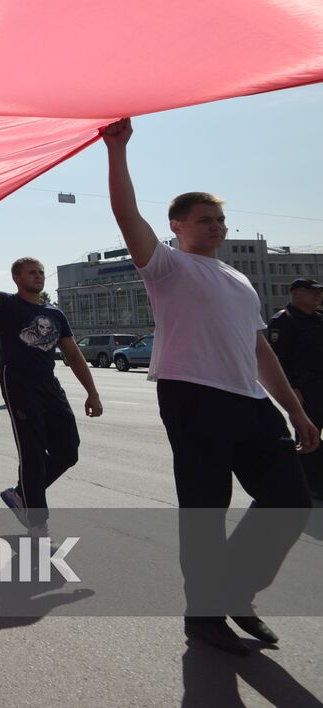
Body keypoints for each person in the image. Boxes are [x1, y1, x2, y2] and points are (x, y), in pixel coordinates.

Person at [105, 117, 317, 654]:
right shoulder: (167, 266)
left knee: (289, 499)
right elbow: (126, 214)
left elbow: (259, 349)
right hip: (191, 394)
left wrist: (296, 410)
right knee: (205, 507)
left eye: (221, 219)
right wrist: (117, 152)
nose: (217, 226)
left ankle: (236, 591)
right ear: (177, 225)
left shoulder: (241, 280)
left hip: (248, 399)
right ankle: (203, 616)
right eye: (205, 220)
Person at [0, 232, 102, 531]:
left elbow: (74, 354)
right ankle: (37, 523)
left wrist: (92, 392)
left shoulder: (54, 312)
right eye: (32, 272)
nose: (39, 276)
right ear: (17, 278)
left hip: (49, 385)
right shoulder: (7, 304)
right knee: (32, 453)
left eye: (41, 272)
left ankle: (20, 493)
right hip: (18, 383)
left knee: (68, 451)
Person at [268, 278, 323, 501]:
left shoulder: (319, 319)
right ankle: (310, 483)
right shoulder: (284, 320)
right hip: (304, 389)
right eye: (314, 292)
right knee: (310, 435)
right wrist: (291, 389)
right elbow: (277, 359)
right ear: (297, 294)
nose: (318, 296)